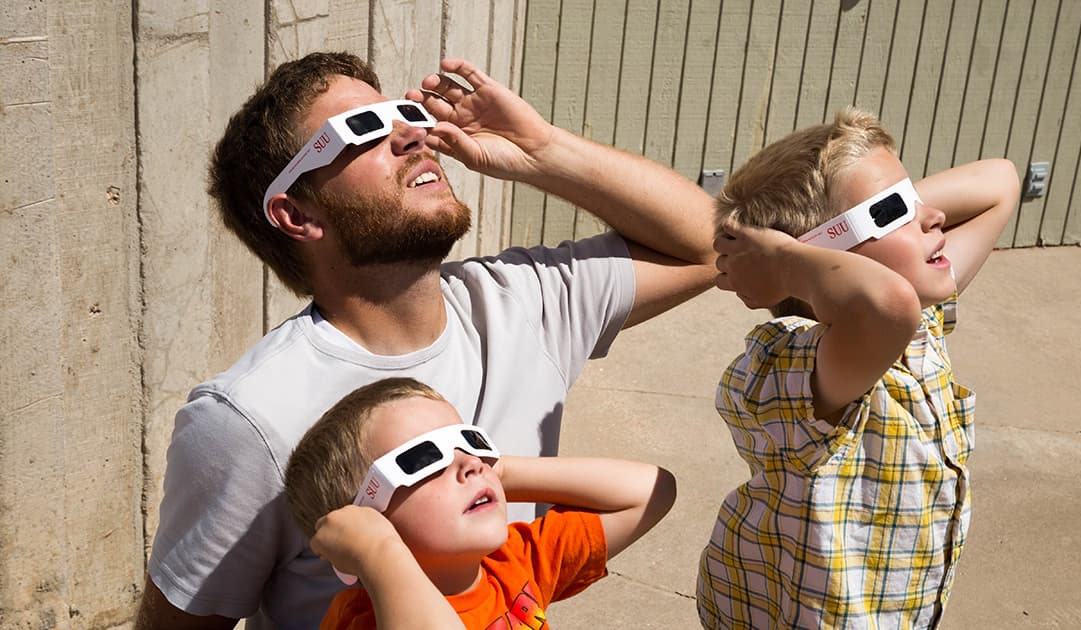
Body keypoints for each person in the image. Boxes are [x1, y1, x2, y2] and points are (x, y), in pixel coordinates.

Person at [137, 51, 716, 629]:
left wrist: (542, 152)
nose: (412, 135)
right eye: (360, 129)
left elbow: (717, 246)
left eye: (402, 112)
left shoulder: (522, 301)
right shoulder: (248, 417)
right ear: (296, 213)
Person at [695, 107, 1020, 628]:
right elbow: (885, 304)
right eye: (894, 210)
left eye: (914, 199)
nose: (932, 217)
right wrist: (783, 263)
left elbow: (1000, 180)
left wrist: (892, 208)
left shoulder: (917, 320)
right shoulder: (797, 362)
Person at [284, 377, 676, 629]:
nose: (471, 464)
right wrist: (378, 553)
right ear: (364, 519)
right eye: (424, 459)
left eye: (468, 441)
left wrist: (501, 471)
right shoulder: (364, 620)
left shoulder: (513, 562)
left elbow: (651, 491)